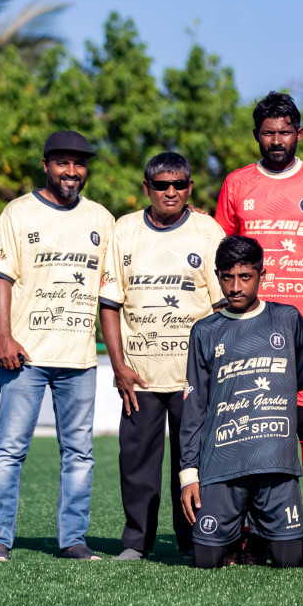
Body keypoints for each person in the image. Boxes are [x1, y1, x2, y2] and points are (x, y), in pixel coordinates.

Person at [0, 130, 115, 562]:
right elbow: (2, 279)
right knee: (10, 449)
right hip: (26, 357)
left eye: (79, 163)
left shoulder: (101, 219)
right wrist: (4, 337)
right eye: (62, 162)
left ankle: (72, 539)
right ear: (46, 165)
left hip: (79, 358)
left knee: (79, 453)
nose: (71, 171)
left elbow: (115, 285)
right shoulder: (17, 212)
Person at [98, 152, 225, 561]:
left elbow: (222, 306)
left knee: (193, 462)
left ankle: (192, 541)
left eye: (180, 184)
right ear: (146, 188)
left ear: (190, 187)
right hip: (141, 373)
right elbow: (109, 303)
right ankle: (137, 542)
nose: (171, 192)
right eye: (162, 185)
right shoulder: (124, 230)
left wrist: (216, 366)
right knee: (137, 463)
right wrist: (119, 366)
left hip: (194, 375)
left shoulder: (208, 231)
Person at [214, 91, 303, 481]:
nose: (276, 141)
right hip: (251, 326)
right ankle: (254, 534)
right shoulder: (238, 184)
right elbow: (223, 252)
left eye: (284, 132)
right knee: (254, 425)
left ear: (299, 134)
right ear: (256, 135)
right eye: (268, 133)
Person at [178, 236, 303, 569]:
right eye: (226, 276)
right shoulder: (205, 331)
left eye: (244, 277)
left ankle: (256, 535)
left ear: (261, 275)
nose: (235, 286)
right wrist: (188, 476)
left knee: (289, 561)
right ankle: (236, 534)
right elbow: (194, 408)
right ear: (217, 276)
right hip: (222, 463)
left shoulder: (287, 318)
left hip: (275, 464)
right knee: (205, 561)